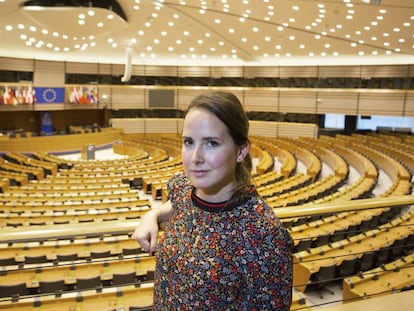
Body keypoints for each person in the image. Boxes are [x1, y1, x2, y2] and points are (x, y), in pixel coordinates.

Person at [134, 91, 293, 310]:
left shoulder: (263, 234)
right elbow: (178, 205)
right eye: (189, 142)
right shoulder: (183, 188)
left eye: (211, 143)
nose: (195, 157)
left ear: (241, 151)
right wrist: (152, 215)